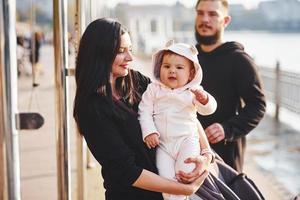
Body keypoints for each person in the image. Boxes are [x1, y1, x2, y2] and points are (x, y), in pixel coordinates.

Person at [73, 18, 209, 200]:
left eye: (130, 49)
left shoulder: (134, 80)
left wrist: (206, 154)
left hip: (170, 186)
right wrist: (182, 189)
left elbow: (180, 109)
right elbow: (126, 170)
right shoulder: (91, 108)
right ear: (100, 52)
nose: (130, 58)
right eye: (121, 51)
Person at [194, 0, 266, 172]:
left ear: (225, 21)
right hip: (188, 154)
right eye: (200, 13)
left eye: (212, 14)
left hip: (225, 158)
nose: (205, 19)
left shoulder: (239, 60)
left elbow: (258, 105)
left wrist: (227, 129)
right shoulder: (188, 58)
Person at [138, 40, 216, 200]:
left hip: (187, 141)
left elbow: (208, 110)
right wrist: (149, 131)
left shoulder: (193, 92)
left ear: (191, 74)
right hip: (163, 145)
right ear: (159, 68)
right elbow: (144, 111)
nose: (172, 71)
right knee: (166, 181)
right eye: (167, 66)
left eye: (179, 68)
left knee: (185, 175)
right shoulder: (154, 89)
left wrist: (205, 99)